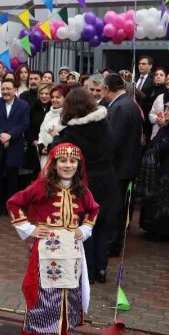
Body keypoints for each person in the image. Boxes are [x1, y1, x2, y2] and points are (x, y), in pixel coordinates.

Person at [8, 144, 98, 335]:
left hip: (72, 253)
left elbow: (93, 209)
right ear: (54, 164)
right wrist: (29, 228)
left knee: (68, 298)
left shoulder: (82, 190)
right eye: (63, 161)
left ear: (78, 165)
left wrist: (85, 229)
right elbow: (14, 202)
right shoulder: (41, 187)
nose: (68, 165)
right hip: (45, 251)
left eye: (72, 161)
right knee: (43, 298)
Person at [51, 87, 118, 284]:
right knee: (101, 225)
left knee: (84, 226)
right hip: (106, 180)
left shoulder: (72, 132)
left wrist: (56, 136)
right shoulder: (104, 124)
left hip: (85, 183)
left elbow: (59, 151)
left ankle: (87, 270)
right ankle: (101, 267)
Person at [102, 73, 144, 258]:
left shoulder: (120, 107)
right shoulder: (129, 103)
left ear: (107, 88)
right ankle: (114, 242)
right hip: (126, 165)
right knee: (119, 206)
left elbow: (114, 140)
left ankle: (112, 244)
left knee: (115, 207)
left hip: (118, 167)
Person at [139, 102, 169, 243]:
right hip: (159, 169)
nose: (165, 112)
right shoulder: (166, 126)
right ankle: (153, 229)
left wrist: (158, 147)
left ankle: (163, 231)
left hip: (167, 171)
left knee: (165, 202)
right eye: (165, 109)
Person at [0, 78, 30, 218]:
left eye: (8, 89)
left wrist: (10, 136)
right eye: (3, 89)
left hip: (14, 147)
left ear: (15, 90)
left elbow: (24, 123)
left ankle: (12, 209)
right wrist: (1, 135)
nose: (5, 91)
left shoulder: (23, 105)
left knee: (12, 181)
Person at [26, 84, 54, 176]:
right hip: (35, 148)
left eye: (47, 93)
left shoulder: (54, 109)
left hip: (51, 148)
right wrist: (33, 141)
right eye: (41, 93)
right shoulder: (33, 108)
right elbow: (27, 127)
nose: (44, 96)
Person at [36, 84, 67, 168]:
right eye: (52, 97)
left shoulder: (68, 116)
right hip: (44, 156)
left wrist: (50, 148)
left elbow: (66, 138)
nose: (54, 100)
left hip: (59, 157)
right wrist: (41, 146)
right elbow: (41, 132)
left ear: (66, 98)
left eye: (58, 97)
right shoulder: (48, 114)